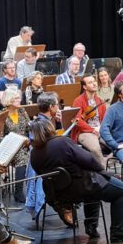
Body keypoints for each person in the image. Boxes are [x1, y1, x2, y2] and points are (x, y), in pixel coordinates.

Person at [30, 118, 123, 242]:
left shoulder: (34, 154)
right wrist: (104, 172)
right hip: (83, 186)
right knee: (122, 191)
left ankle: (91, 227)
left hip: (59, 195)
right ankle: (118, 235)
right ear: (49, 128)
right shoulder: (62, 142)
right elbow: (89, 159)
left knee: (94, 188)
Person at [25, 92, 70, 224]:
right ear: (51, 107)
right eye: (57, 105)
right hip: (46, 165)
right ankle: (64, 206)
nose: (59, 107)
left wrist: (59, 123)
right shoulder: (40, 124)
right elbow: (57, 142)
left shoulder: (48, 121)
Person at [71, 74, 107, 167]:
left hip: (99, 130)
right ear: (84, 87)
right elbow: (78, 121)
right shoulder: (78, 101)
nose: (94, 84)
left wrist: (102, 129)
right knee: (95, 149)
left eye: (94, 81)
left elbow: (104, 119)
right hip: (85, 132)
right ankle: (104, 172)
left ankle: (104, 162)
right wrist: (92, 130)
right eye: (90, 82)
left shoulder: (99, 100)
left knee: (117, 143)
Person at [2, 88, 30, 203]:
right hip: (10, 147)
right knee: (22, 157)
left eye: (19, 98)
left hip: (25, 143)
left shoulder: (22, 111)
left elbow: (29, 127)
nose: (20, 100)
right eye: (17, 98)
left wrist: (29, 139)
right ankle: (18, 191)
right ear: (10, 100)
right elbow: (0, 136)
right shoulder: (2, 115)